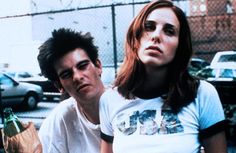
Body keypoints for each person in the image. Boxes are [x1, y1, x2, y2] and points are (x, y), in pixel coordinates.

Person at [99, 1, 227, 153]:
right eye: (149, 27)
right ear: (136, 38)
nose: (156, 36)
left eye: (169, 31)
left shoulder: (202, 94)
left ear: (179, 46)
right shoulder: (109, 99)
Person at [37, 28, 105, 153]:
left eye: (83, 66)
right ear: (59, 86)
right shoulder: (59, 120)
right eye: (66, 74)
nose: (77, 77)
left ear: (98, 66)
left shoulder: (128, 104)